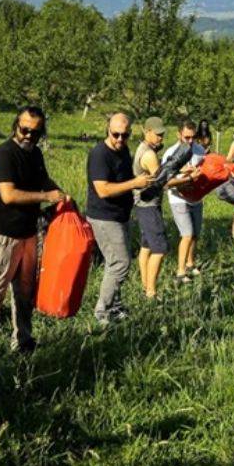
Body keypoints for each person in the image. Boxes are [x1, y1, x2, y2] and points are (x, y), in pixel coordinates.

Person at [0, 106, 68, 364]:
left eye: (36, 131)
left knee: (24, 292)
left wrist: (61, 194)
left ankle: (23, 341)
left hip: (28, 233)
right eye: (25, 129)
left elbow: (44, 180)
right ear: (15, 126)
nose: (30, 135)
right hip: (2, 235)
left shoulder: (36, 154)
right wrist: (46, 197)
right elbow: (8, 195)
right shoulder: (5, 154)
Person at [86, 113, 152, 325]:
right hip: (104, 216)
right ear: (108, 131)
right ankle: (102, 312)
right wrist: (134, 183)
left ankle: (114, 306)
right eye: (116, 135)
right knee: (120, 263)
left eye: (125, 135)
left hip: (120, 215)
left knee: (114, 263)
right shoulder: (99, 154)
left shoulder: (123, 151)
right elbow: (103, 189)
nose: (120, 139)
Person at [134, 117, 194, 299]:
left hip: (142, 205)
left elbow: (161, 173)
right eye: (157, 134)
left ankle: (145, 286)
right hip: (148, 206)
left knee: (146, 246)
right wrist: (188, 179)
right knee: (160, 248)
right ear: (147, 132)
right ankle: (151, 292)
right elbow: (164, 182)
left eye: (162, 134)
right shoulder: (149, 155)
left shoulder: (143, 149)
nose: (161, 137)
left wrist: (183, 172)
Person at [164, 121, 207, 284]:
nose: (190, 141)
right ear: (179, 134)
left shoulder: (199, 150)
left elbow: (204, 171)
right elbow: (165, 181)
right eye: (186, 137)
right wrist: (185, 175)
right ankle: (180, 272)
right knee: (187, 234)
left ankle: (190, 264)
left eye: (193, 137)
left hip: (196, 198)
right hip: (178, 198)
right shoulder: (171, 152)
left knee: (195, 234)